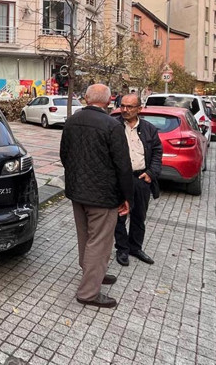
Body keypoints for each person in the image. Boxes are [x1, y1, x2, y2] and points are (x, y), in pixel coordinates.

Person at [60, 84, 134, 309]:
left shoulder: (71, 120)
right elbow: (123, 165)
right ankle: (89, 292)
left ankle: (93, 274)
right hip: (103, 196)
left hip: (77, 192)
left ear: (87, 98)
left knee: (86, 238)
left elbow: (64, 155)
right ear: (109, 99)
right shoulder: (112, 125)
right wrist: (126, 196)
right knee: (99, 242)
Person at [114, 93, 163, 267]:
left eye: (130, 107)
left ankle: (135, 247)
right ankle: (122, 249)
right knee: (119, 217)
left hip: (141, 178)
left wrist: (152, 172)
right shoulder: (115, 126)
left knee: (139, 216)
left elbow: (157, 152)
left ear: (139, 109)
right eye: (123, 106)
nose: (125, 110)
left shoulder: (149, 128)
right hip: (120, 180)